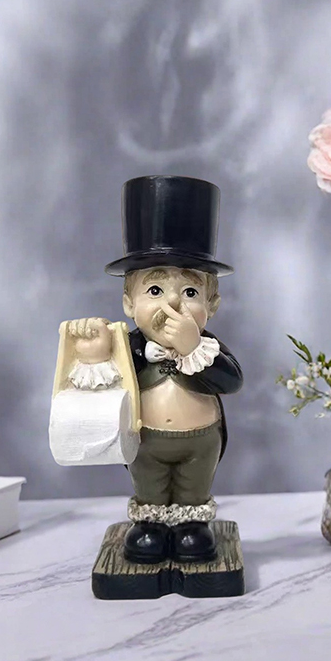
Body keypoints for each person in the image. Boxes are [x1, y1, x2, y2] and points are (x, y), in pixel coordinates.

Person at [67, 175, 243, 564]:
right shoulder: (129, 347)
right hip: (145, 439)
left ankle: (191, 526)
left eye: (191, 292)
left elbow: (232, 380)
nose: (172, 304)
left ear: (212, 305)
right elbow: (108, 381)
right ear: (129, 303)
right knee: (149, 483)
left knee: (194, 486)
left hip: (201, 440)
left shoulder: (208, 349)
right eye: (155, 290)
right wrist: (97, 354)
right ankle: (150, 526)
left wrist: (193, 348)